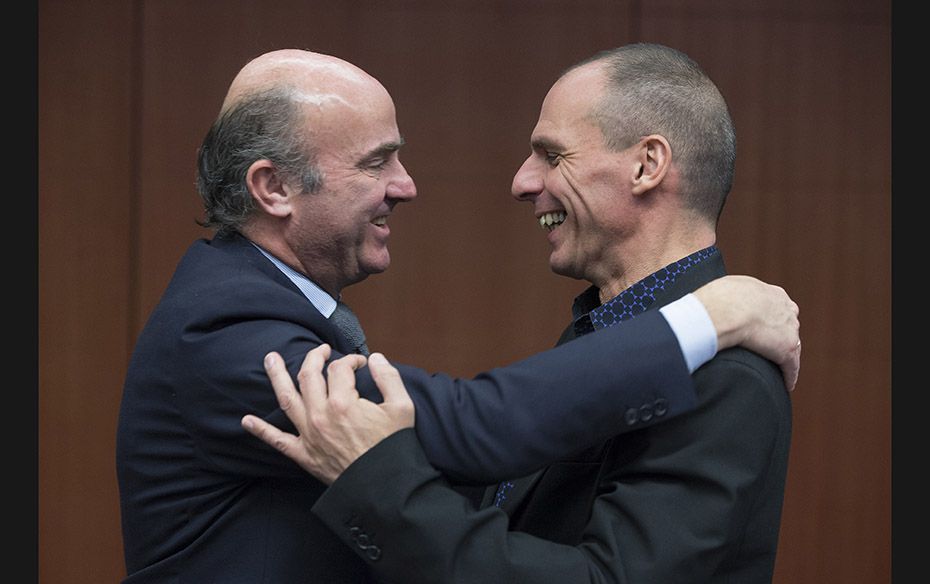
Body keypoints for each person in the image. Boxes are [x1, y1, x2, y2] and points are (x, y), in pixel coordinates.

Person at [115, 47, 800, 583]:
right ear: (274, 187)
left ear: (648, 166)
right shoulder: (227, 333)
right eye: (378, 161)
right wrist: (710, 314)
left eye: (551, 154)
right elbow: (479, 427)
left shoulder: (723, 375)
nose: (407, 186)